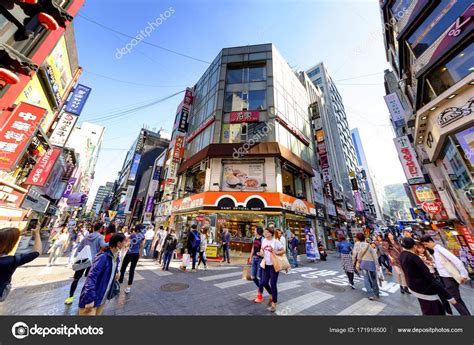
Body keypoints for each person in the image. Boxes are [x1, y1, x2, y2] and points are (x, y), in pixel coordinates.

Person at [399, 237, 457, 315]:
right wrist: (448, 296)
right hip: (424, 290)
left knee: (429, 308)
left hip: (414, 287)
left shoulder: (402, 255)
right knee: (433, 311)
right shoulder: (414, 258)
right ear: (414, 246)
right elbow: (429, 277)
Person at [420, 236, 471, 315]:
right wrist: (432, 264)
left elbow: (457, 261)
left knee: (455, 300)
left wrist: (463, 274)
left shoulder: (440, 249)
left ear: (430, 241)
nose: (426, 247)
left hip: (449, 278)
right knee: (457, 299)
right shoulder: (436, 251)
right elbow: (442, 266)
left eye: (426, 244)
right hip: (446, 278)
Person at [78, 233, 126, 316]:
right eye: (124, 241)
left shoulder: (116, 257)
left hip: (101, 298)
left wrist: (116, 273)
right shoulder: (103, 257)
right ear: (118, 243)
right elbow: (91, 278)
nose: (125, 243)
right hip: (92, 299)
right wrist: (89, 299)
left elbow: (112, 271)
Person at [65, 222, 108, 305]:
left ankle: (70, 297)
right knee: (90, 280)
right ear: (100, 229)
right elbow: (103, 245)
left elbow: (79, 249)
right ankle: (85, 298)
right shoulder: (100, 237)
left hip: (83, 260)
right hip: (93, 261)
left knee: (76, 279)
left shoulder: (86, 237)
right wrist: (110, 242)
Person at [0, 225, 42, 301]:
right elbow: (37, 252)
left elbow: (3, 237)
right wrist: (37, 234)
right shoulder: (12, 260)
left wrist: (19, 233)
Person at [255, 227, 285, 312]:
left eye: (266, 232)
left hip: (274, 266)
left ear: (270, 233)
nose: (264, 233)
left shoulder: (276, 242)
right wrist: (261, 253)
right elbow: (262, 249)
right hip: (266, 264)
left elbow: (283, 251)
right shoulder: (264, 240)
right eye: (264, 232)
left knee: (273, 284)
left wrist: (276, 252)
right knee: (263, 282)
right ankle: (271, 294)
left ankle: (274, 303)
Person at [353, 233, 380, 300]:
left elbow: (354, 254)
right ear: (364, 238)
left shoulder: (357, 244)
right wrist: (377, 265)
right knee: (374, 278)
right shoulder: (368, 245)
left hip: (363, 264)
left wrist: (353, 262)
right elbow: (374, 255)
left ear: (357, 238)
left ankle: (370, 294)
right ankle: (376, 293)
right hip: (371, 264)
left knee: (366, 279)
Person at [118, 227, 144, 294]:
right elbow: (141, 246)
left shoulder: (132, 235)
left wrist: (124, 246)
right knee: (132, 270)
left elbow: (127, 243)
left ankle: (119, 284)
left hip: (129, 253)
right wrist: (140, 255)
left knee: (123, 268)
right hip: (136, 254)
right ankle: (128, 287)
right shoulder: (142, 236)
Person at [249, 226, 264, 295]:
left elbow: (263, 250)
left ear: (258, 232)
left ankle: (260, 291)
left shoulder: (263, 239)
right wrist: (250, 257)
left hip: (260, 260)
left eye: (255, 230)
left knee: (259, 277)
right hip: (254, 258)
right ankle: (260, 287)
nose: (254, 231)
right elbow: (253, 248)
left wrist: (261, 253)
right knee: (253, 277)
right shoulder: (254, 238)